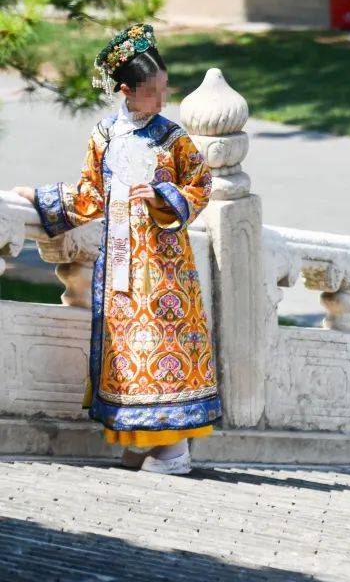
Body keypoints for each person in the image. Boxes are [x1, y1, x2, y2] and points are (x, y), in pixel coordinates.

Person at [11, 24, 218, 476]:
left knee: (163, 344)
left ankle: (173, 448)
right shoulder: (103, 135)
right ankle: (139, 439)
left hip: (165, 266)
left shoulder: (173, 137)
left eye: (165, 89)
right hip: (119, 264)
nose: (161, 100)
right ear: (126, 90)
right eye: (152, 92)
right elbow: (90, 195)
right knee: (126, 349)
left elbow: (201, 184)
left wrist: (163, 196)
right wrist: (41, 199)